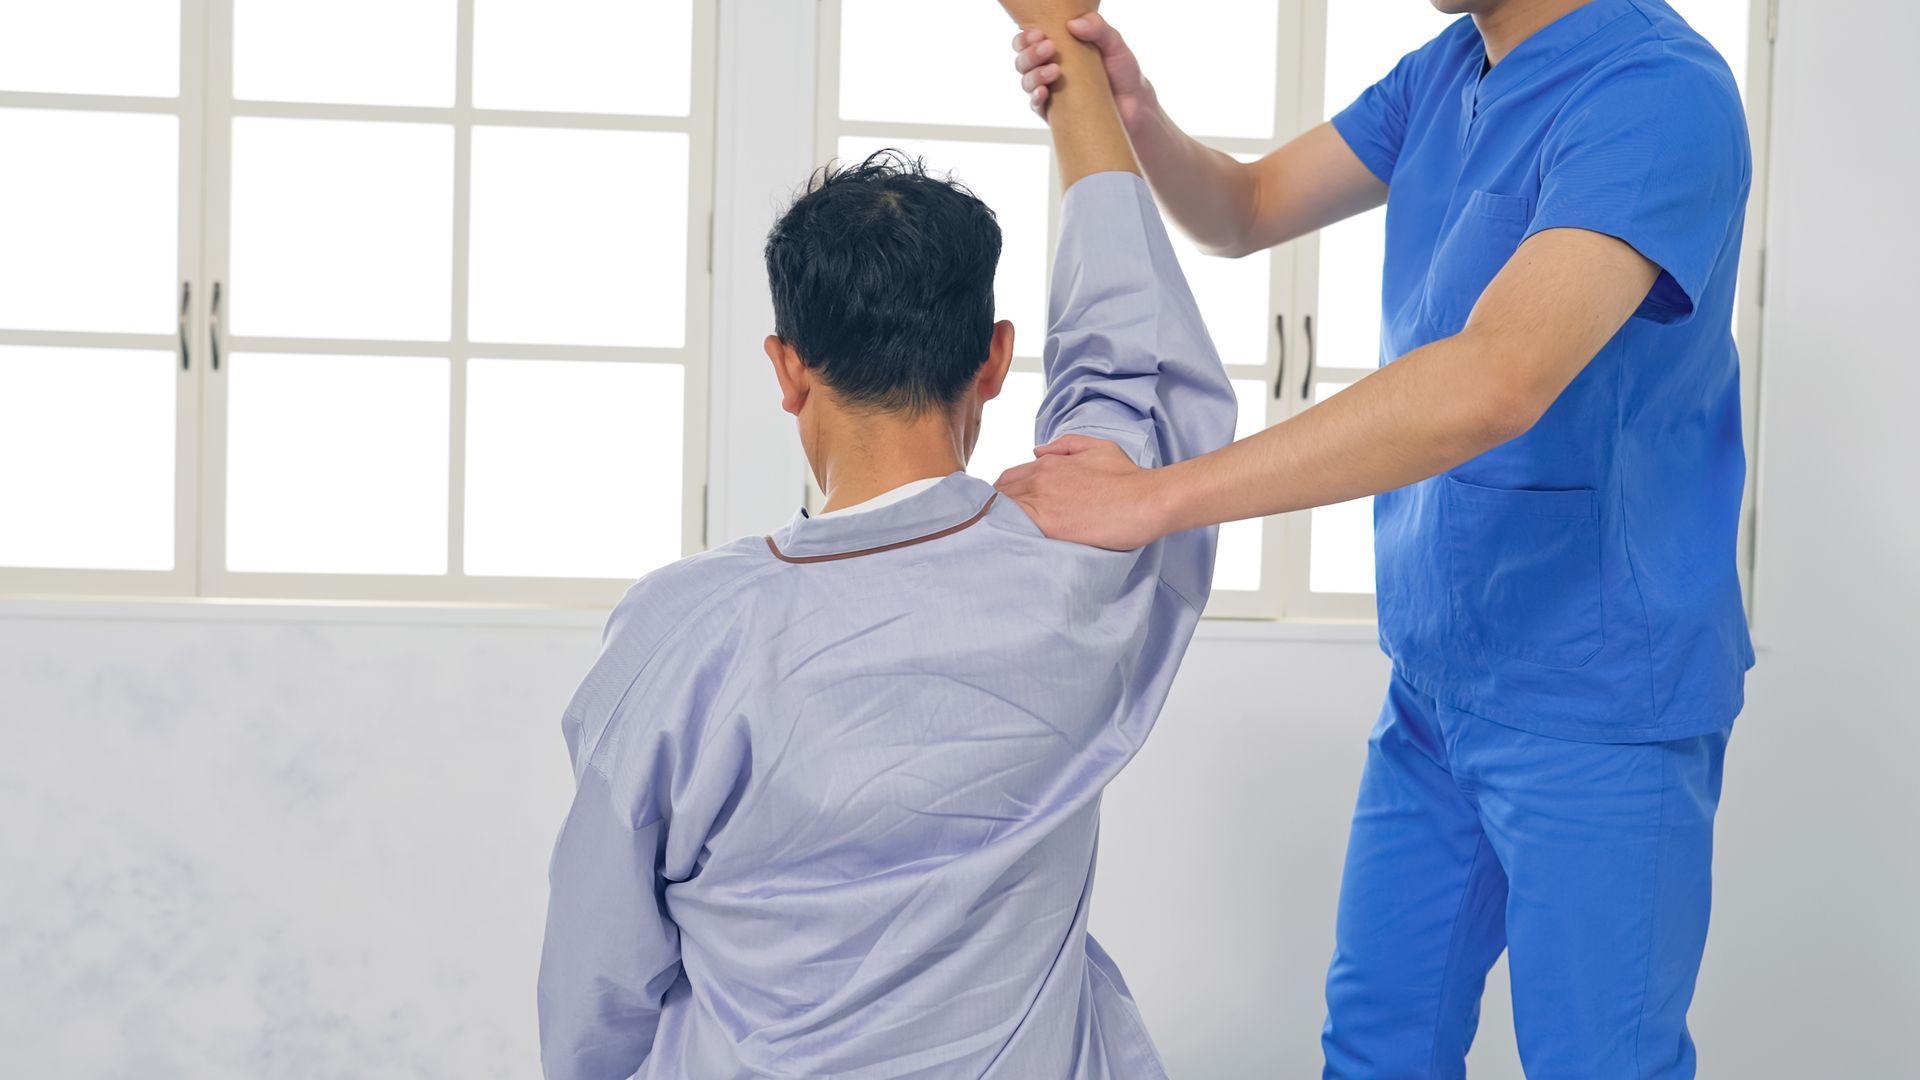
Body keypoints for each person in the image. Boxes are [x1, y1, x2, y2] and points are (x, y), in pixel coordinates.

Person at [1003, 1, 1752, 1076]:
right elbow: (1245, 208)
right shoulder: (1447, 72)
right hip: (1438, 684)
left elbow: (1496, 382)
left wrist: (1156, 497)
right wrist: (1140, 120)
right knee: (1378, 1047)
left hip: (1598, 701)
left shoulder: (1657, 94)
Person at [534, 7, 1234, 1075]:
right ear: (996, 361)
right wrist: (1073, 70)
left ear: (787, 368)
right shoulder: (1078, 567)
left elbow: (601, 981)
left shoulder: (684, 631)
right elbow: (1131, 362)